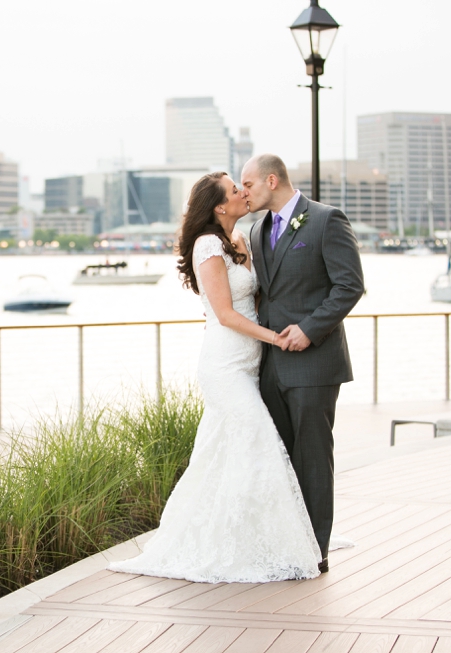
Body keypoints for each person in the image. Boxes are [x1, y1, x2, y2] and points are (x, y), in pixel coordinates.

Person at [108, 172, 322, 582]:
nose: (244, 192)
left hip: (250, 362)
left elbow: (258, 296)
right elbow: (224, 314)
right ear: (220, 206)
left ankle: (244, 533)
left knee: (224, 452)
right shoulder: (207, 244)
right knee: (258, 437)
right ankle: (238, 544)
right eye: (235, 189)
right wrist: (276, 338)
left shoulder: (241, 240)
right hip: (224, 366)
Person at [241, 154, 365, 574]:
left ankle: (314, 553)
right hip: (270, 366)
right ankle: (285, 546)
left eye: (249, 184)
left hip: (315, 364)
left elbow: (350, 286)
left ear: (271, 180)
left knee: (312, 460)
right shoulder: (257, 231)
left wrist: (310, 329)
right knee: (279, 461)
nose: (244, 192)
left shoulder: (326, 220)